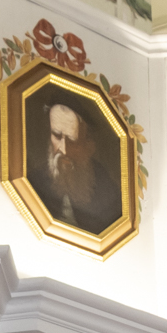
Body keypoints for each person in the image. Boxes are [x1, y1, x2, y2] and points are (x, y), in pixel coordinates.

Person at [30, 93, 120, 233]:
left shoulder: (106, 189)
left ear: (88, 146)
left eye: (72, 140)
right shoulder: (32, 183)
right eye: (57, 136)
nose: (63, 149)